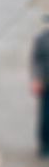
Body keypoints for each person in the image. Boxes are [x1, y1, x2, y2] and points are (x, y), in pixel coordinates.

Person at [32, 14, 49, 158]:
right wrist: (36, 79)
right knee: (45, 116)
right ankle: (44, 145)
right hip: (46, 82)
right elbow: (36, 59)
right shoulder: (42, 39)